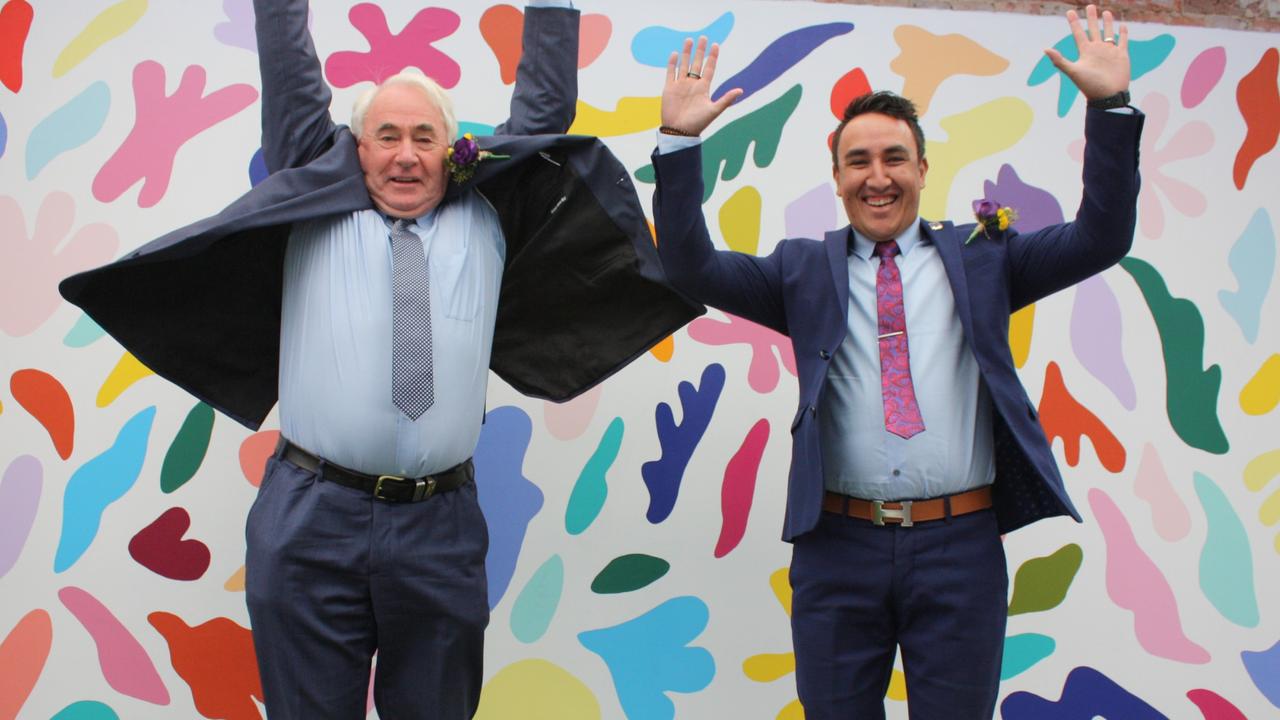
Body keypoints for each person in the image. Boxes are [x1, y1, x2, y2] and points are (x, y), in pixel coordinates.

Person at [59, 0, 699, 717]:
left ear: (454, 152)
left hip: (441, 525)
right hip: (309, 520)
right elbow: (292, 75)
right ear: (353, 148)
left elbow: (543, 106)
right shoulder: (316, 200)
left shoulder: (485, 215)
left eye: (425, 137)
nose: (404, 154)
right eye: (386, 135)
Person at [650, 5, 1142, 718]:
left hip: (961, 548)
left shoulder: (986, 260)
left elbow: (1102, 236)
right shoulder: (801, 273)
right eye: (858, 161)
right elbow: (690, 267)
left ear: (921, 168)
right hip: (837, 547)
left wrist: (1109, 106)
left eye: (893, 159)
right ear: (837, 177)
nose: (876, 177)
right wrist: (677, 142)